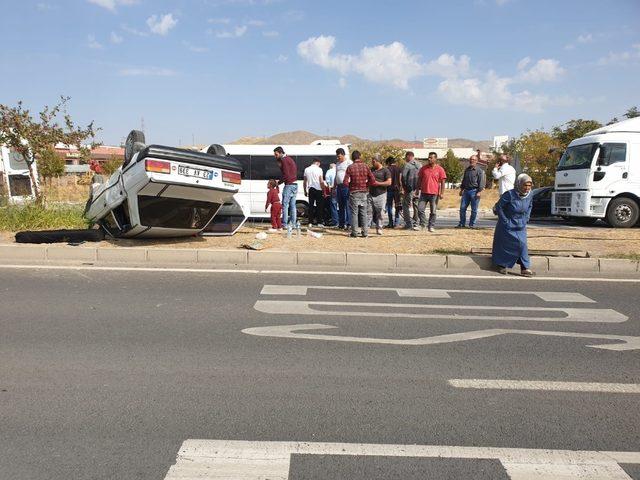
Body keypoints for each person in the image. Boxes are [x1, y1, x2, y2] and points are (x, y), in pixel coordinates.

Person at [492, 174, 534, 277]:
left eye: (529, 185)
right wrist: (505, 220)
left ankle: (525, 267)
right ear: (519, 184)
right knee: (505, 245)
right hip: (507, 224)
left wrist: (526, 218)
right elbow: (499, 207)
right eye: (525, 185)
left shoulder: (530, 194)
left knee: (522, 244)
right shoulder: (510, 195)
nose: (527, 188)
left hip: (520, 224)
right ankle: (502, 265)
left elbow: (530, 206)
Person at [343, 150, 377, 238]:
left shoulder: (350, 167)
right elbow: (373, 180)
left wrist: (351, 185)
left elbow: (345, 182)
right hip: (364, 193)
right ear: (360, 156)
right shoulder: (366, 167)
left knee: (354, 213)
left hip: (354, 193)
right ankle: (365, 232)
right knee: (363, 213)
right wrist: (366, 185)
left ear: (352, 158)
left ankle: (354, 232)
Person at [416, 152, 447, 232]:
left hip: (434, 194)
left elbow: (443, 182)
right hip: (424, 193)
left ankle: (431, 226)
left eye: (431, 158)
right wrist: (417, 190)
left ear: (435, 159)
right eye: (428, 157)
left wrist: (442, 193)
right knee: (420, 209)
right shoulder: (423, 168)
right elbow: (419, 180)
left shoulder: (440, 169)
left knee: (433, 211)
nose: (429, 159)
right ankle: (423, 224)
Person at [457, 154, 486, 228]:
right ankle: (462, 224)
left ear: (476, 161)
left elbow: (481, 182)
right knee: (462, 208)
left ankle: (471, 224)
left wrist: (479, 191)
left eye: (473, 159)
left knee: (474, 210)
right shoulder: (467, 170)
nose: (471, 161)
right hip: (466, 191)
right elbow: (464, 180)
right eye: (471, 159)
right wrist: (461, 190)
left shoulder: (479, 171)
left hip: (475, 191)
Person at [274, 146, 298, 228]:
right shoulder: (290, 159)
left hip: (289, 185)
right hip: (295, 184)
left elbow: (286, 175)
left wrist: (279, 183)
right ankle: (293, 224)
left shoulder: (284, 160)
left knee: (285, 205)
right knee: (293, 205)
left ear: (281, 153)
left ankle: (284, 223)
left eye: (276, 154)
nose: (275, 156)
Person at [369, 156, 391, 235]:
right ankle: (366, 228)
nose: (372, 162)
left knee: (380, 212)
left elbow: (389, 182)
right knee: (368, 212)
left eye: (374, 161)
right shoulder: (371, 170)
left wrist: (378, 183)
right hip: (370, 194)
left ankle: (379, 228)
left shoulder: (385, 171)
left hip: (381, 194)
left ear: (378, 161)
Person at [400, 151, 421, 230]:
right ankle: (416, 223)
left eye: (406, 157)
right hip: (418, 189)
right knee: (416, 205)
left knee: (405, 205)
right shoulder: (420, 165)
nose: (405, 159)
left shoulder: (407, 165)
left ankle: (408, 224)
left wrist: (404, 188)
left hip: (409, 189)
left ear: (408, 156)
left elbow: (403, 178)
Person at [303, 158, 325, 227]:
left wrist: (305, 190)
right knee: (319, 206)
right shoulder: (319, 169)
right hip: (318, 189)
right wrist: (323, 190)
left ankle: (310, 222)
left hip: (310, 189)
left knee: (311, 206)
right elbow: (321, 181)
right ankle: (319, 222)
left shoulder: (307, 169)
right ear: (317, 163)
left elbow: (305, 181)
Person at [335, 147, 352, 230]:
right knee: (340, 206)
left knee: (347, 205)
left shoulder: (349, 163)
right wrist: (334, 187)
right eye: (337, 156)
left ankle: (349, 223)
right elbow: (336, 175)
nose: (338, 158)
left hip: (347, 186)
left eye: (339, 156)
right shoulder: (337, 164)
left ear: (343, 155)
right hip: (339, 186)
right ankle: (341, 223)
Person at [385, 156, 402, 228]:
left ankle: (390, 222)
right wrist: (401, 189)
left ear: (388, 162)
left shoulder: (387, 169)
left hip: (389, 190)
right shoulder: (399, 169)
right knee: (397, 206)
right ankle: (397, 223)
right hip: (397, 190)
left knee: (389, 206)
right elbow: (400, 180)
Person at [324, 162, 339, 226]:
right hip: (340, 188)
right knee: (342, 206)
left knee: (333, 205)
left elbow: (327, 180)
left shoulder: (329, 171)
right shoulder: (338, 170)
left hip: (333, 189)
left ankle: (335, 221)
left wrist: (329, 186)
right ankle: (343, 221)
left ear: (330, 167)